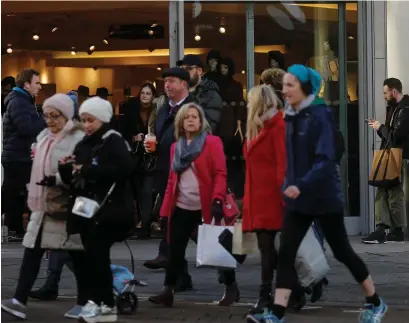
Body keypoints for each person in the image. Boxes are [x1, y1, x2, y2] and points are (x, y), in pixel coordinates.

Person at [262, 64, 387, 323]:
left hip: (324, 197)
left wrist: (300, 184)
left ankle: (375, 301)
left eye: (290, 85)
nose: (284, 90)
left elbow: (325, 160)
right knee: (286, 253)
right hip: (298, 199)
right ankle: (276, 313)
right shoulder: (290, 116)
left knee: (342, 252)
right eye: (284, 85)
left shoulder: (320, 115)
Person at [1, 93, 85, 320]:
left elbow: (78, 173)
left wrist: (57, 178)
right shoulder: (43, 136)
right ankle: (19, 299)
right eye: (46, 115)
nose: (49, 120)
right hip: (42, 204)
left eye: (55, 115)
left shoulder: (76, 139)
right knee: (32, 251)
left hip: (63, 206)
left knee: (76, 255)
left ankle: (88, 300)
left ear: (66, 115)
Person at [58, 96, 135, 323]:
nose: (87, 125)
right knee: (92, 257)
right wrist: (66, 168)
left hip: (109, 211)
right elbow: (73, 177)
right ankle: (100, 303)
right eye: (83, 120)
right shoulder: (85, 143)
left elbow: (124, 169)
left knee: (97, 256)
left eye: (91, 120)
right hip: (88, 211)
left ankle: (105, 304)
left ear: (102, 118)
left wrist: (88, 170)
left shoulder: (113, 141)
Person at [148, 102, 228, 307]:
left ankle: (231, 286)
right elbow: (171, 183)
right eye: (187, 117)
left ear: (201, 122)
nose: (191, 120)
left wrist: (218, 198)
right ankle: (168, 291)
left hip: (207, 205)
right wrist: (165, 213)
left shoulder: (212, 143)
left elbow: (220, 173)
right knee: (175, 250)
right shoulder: (176, 147)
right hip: (182, 206)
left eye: (195, 117)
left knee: (217, 249)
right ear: (181, 123)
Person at [241, 85, 286, 320]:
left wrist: (286, 197)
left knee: (267, 248)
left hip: (272, 197)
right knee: (267, 248)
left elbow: (282, 165)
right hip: (258, 197)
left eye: (251, 101)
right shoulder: (257, 128)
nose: (248, 105)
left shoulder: (277, 125)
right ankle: (294, 289)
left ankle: (265, 297)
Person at [363, 78, 409, 243]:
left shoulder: (404, 110)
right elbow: (390, 135)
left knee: (393, 193)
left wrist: (380, 127)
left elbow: (396, 136)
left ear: (393, 92)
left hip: (398, 156)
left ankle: (393, 231)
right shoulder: (395, 108)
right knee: (384, 190)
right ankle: (388, 230)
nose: (384, 96)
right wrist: (379, 128)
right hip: (391, 155)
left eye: (385, 92)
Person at [2, 68, 45, 240]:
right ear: (26, 85)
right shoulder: (20, 102)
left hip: (18, 154)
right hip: (17, 156)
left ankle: (15, 228)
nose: (40, 87)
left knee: (17, 192)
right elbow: (26, 128)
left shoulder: (22, 100)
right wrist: (43, 120)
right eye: (37, 83)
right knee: (17, 193)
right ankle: (13, 228)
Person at [119, 82, 158, 238]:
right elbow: (122, 132)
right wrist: (134, 138)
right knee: (136, 190)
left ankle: (146, 223)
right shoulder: (130, 110)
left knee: (147, 191)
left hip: (151, 155)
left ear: (153, 96)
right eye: (143, 93)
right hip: (135, 156)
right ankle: (140, 222)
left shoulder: (157, 113)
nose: (145, 96)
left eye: (148, 94)